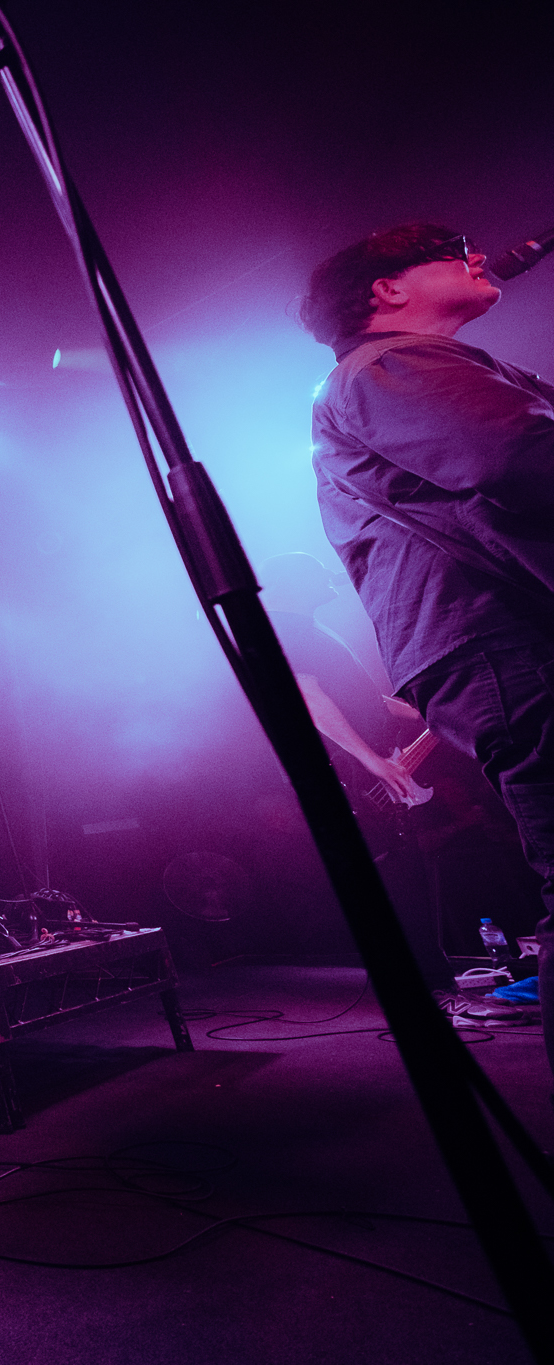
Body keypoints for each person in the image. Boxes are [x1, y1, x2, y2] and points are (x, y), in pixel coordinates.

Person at [301, 221, 553, 1069]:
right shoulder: (385, 367)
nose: (478, 253)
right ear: (387, 289)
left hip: (502, 637)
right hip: (508, 638)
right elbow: (520, 454)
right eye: (451, 246)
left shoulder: (403, 370)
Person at [259, 551, 451, 989]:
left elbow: (362, 697)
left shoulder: (311, 628)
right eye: (320, 576)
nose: (332, 582)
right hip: (355, 774)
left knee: (410, 875)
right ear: (295, 583)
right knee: (397, 881)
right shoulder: (283, 629)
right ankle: (422, 983)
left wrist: (423, 712)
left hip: (372, 766)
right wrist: (372, 761)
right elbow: (308, 699)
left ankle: (434, 978)